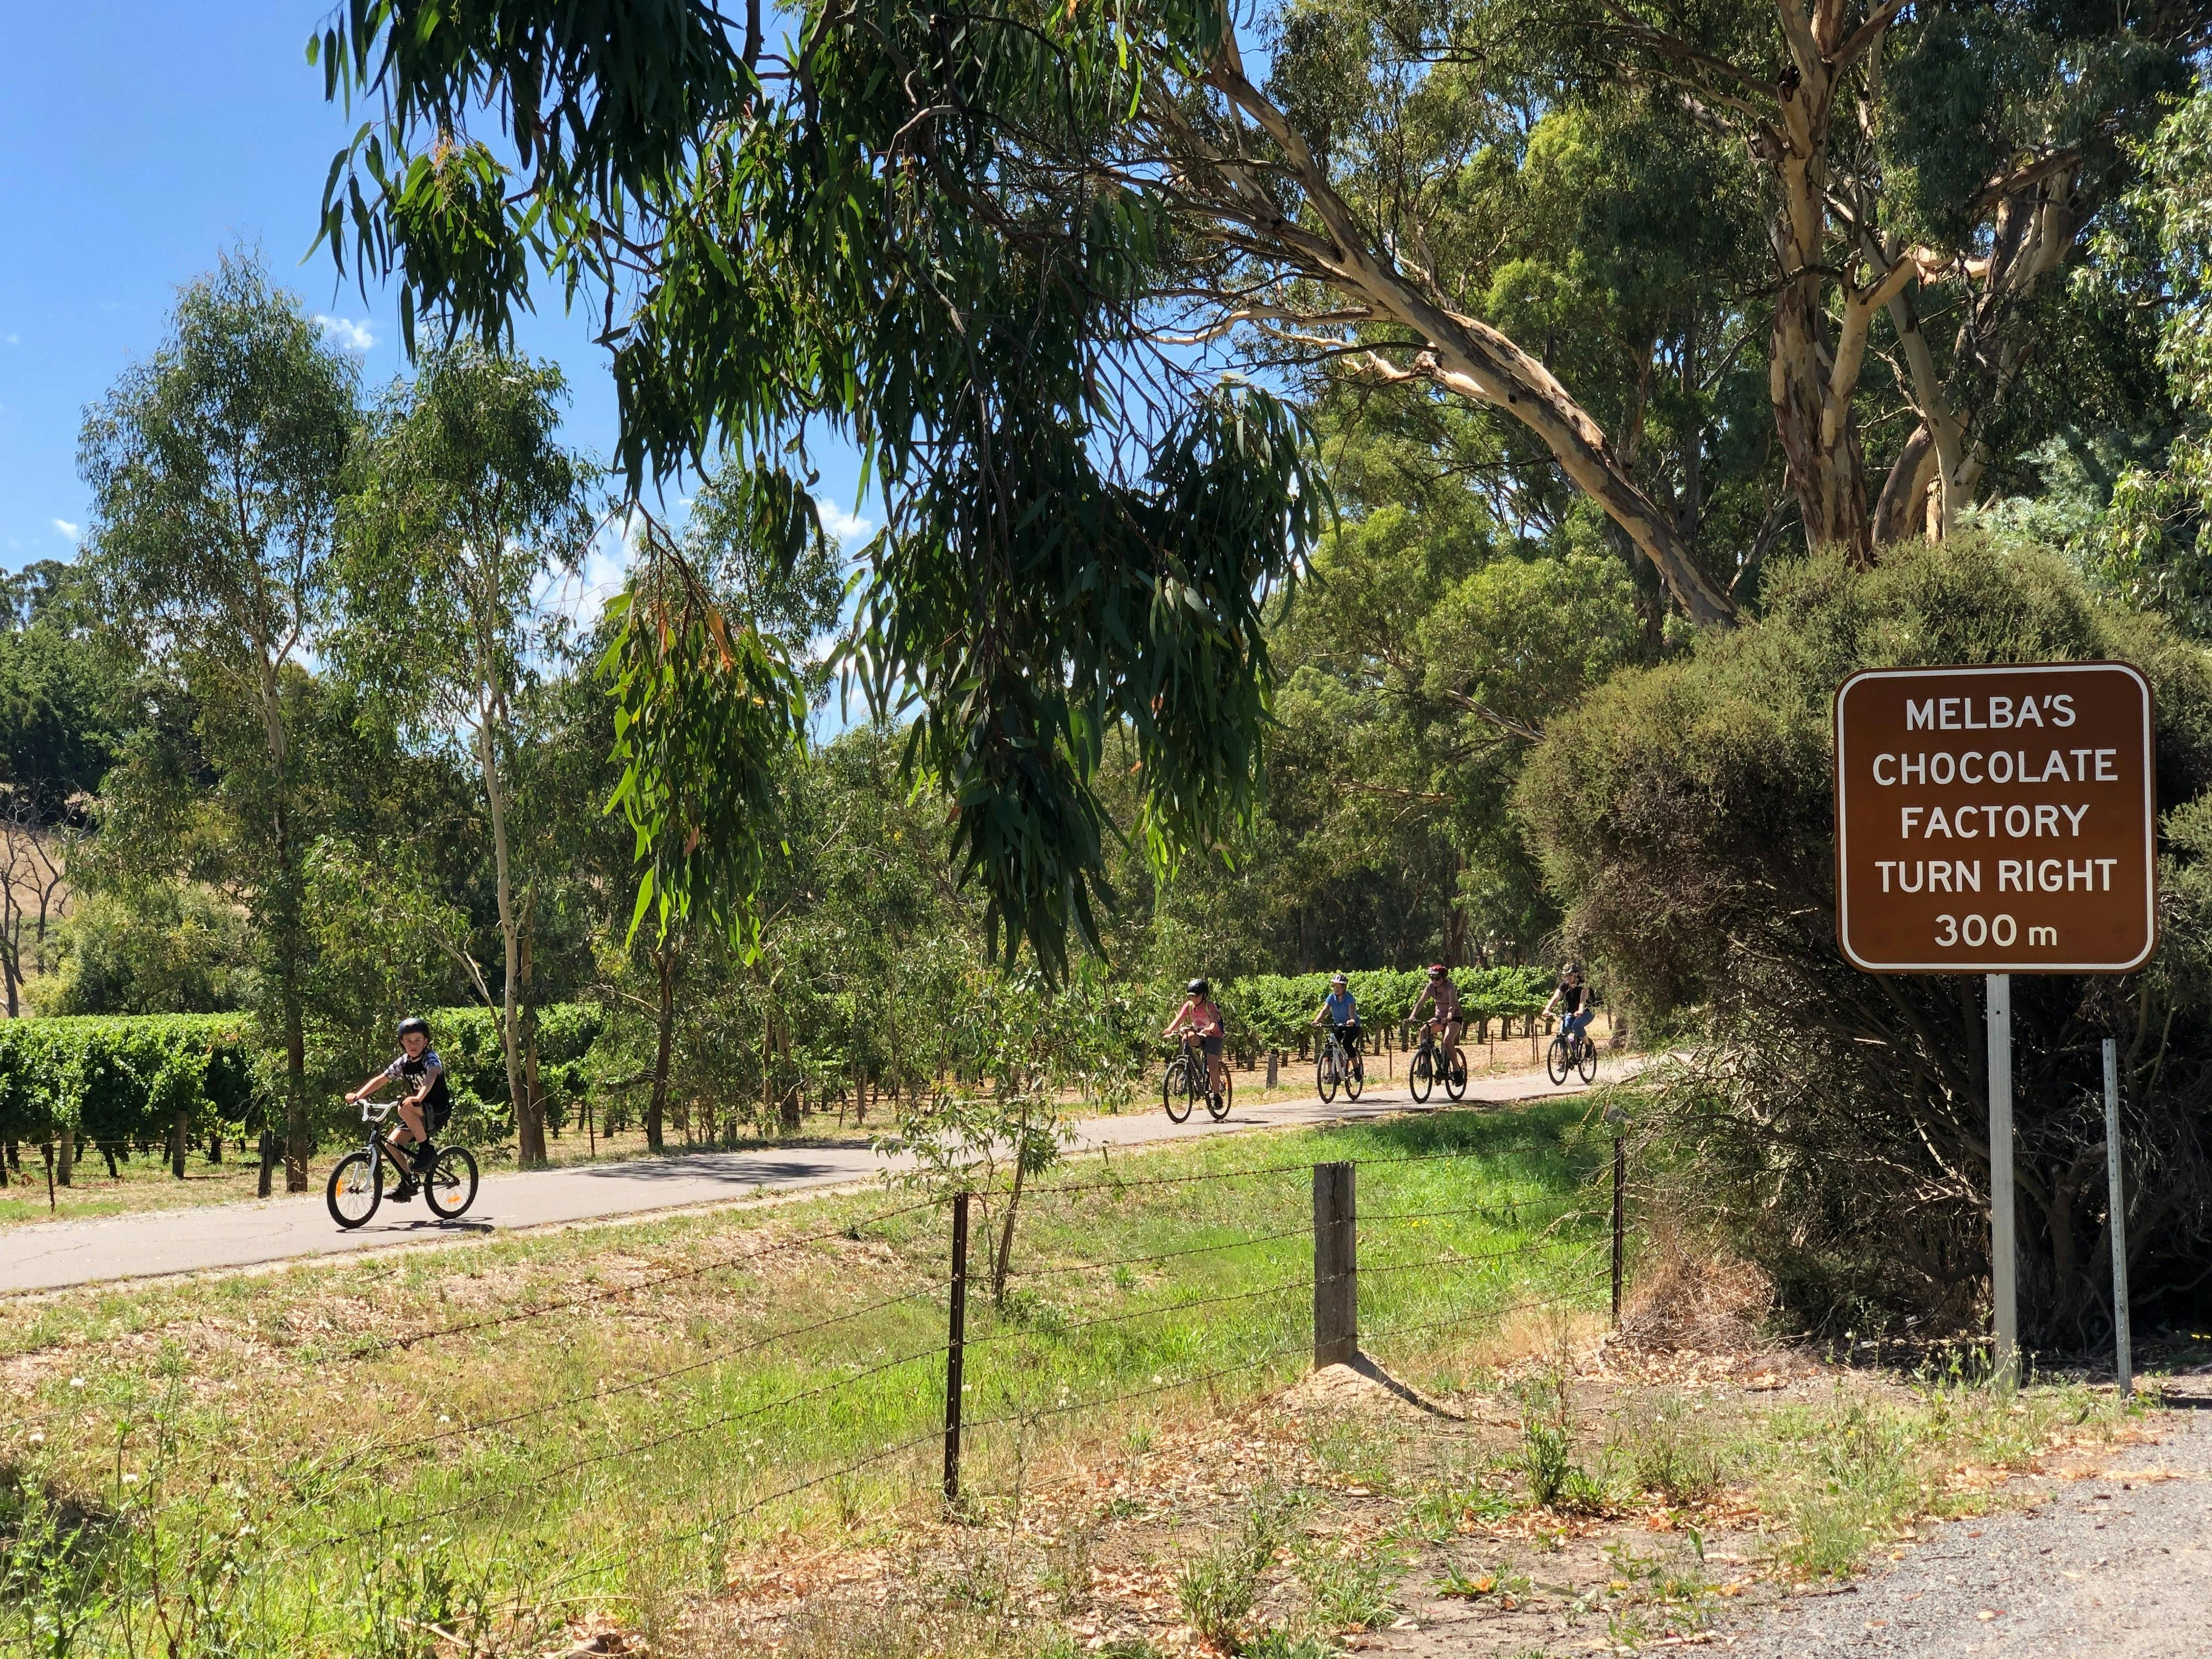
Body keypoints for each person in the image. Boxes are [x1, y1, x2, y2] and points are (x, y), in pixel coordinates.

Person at [346, 1017, 451, 1200]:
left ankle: (426, 1150)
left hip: (437, 1110)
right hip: (417, 1111)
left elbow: (431, 1077)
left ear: (426, 1041)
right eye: (408, 1041)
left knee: (403, 1107)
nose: (413, 1045)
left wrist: (418, 1097)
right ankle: (408, 1183)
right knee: (391, 1145)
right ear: (402, 1042)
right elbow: (381, 1079)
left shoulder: (430, 1058)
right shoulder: (403, 1062)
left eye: (418, 1040)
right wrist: (358, 1095)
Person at [1164, 978, 1229, 1099]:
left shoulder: (1210, 1006)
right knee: (1186, 1037)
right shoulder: (1189, 1006)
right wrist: (1170, 1029)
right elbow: (1179, 1019)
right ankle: (1192, 1067)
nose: (1193, 999)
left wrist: (1210, 1029)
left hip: (1214, 1036)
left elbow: (1214, 1021)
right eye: (1191, 997)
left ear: (1204, 995)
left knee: (1213, 1065)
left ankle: (1216, 1095)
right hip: (1200, 1034)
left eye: (1196, 996)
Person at [1410, 964, 1464, 1075]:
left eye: (1437, 978)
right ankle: (1425, 1066)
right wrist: (1413, 1015)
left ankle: (1457, 1070)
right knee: (1424, 1031)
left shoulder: (1449, 987)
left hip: (1454, 1017)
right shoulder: (1430, 987)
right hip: (1439, 1018)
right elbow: (1421, 1002)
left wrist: (1449, 1017)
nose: (1434, 981)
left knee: (1447, 1041)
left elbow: (1452, 1005)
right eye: (1432, 978)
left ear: (1444, 978)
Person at [1545, 963, 1595, 1054]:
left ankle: (1588, 1046)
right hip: (1572, 1013)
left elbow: (1582, 1001)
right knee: (1565, 1028)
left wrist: (1580, 1010)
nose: (1568, 978)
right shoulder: (1565, 985)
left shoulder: (1584, 984)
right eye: (1566, 975)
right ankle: (1567, 1056)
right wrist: (1547, 1009)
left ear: (1576, 975)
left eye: (1571, 975)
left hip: (1587, 1012)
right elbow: (1556, 997)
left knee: (1576, 1025)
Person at [1312, 973, 1362, 1066]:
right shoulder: (1331, 997)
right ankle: (1332, 1072)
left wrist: (1352, 1020)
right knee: (1330, 1047)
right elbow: (1325, 1010)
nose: (1336, 989)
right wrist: (1317, 1021)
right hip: (1339, 1025)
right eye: (1335, 986)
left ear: (1344, 988)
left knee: (1347, 1044)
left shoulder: (1349, 998)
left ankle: (1356, 1067)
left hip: (1352, 1026)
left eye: (1339, 986)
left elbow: (1351, 1009)